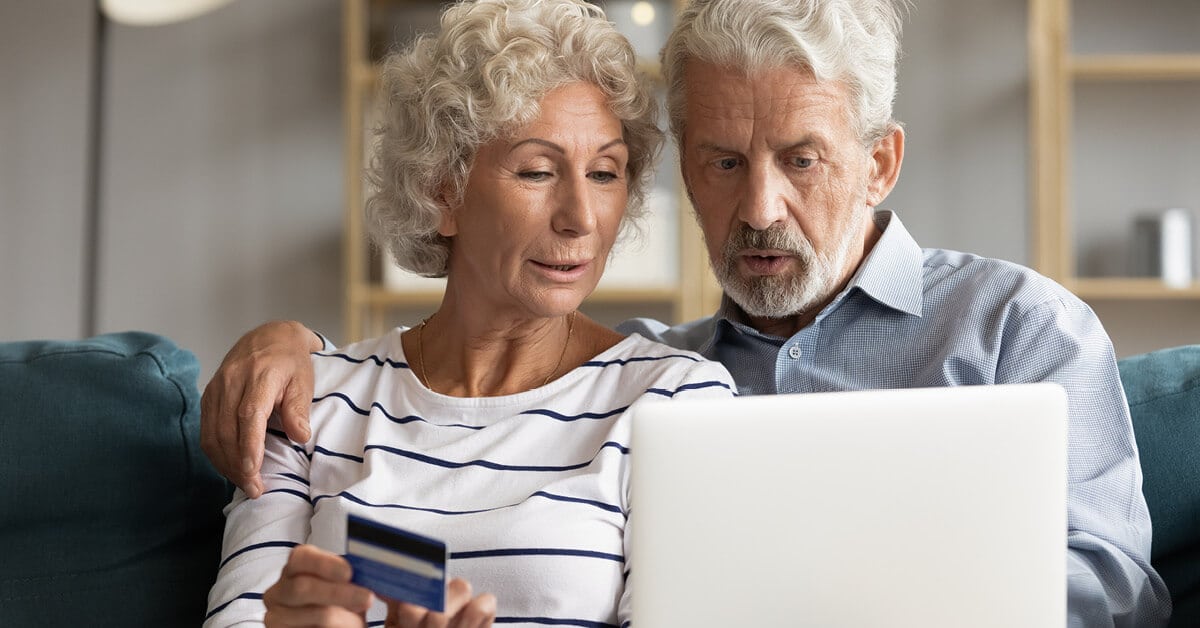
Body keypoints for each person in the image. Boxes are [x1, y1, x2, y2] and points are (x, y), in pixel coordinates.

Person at [202, 0, 1172, 626]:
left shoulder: (1017, 328)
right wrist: (286, 346)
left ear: (879, 163)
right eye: (720, 162)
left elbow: (1111, 595)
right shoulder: (663, 376)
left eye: (801, 159)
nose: (757, 209)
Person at [202, 1, 737, 625]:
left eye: (604, 173)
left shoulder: (673, 401)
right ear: (440, 191)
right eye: (537, 171)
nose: (582, 217)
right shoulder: (309, 404)